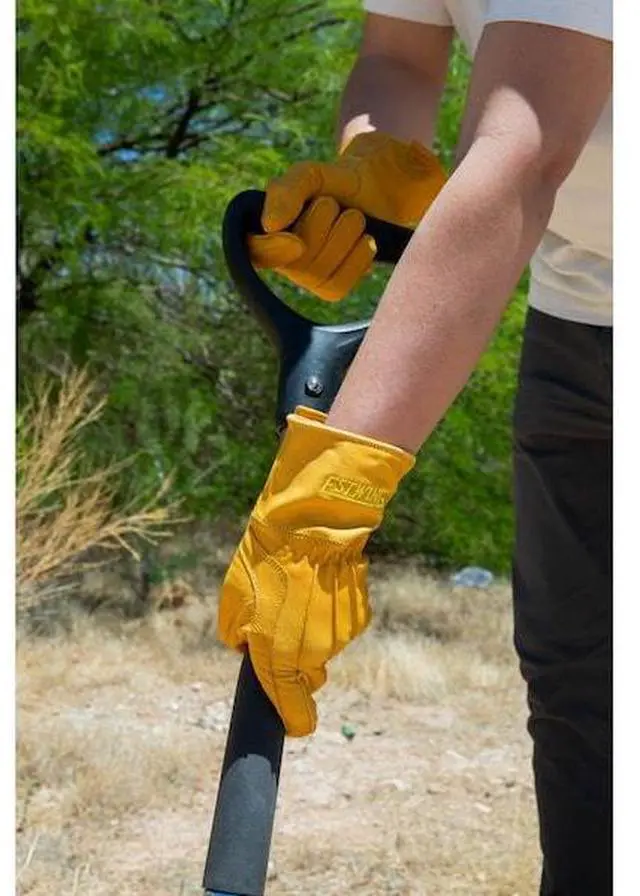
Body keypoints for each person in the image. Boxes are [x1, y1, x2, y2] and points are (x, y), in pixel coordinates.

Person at [217, 3, 613, 894]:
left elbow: (523, 152)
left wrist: (334, 492)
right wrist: (379, 157)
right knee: (579, 683)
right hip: (581, 308)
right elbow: (398, 53)